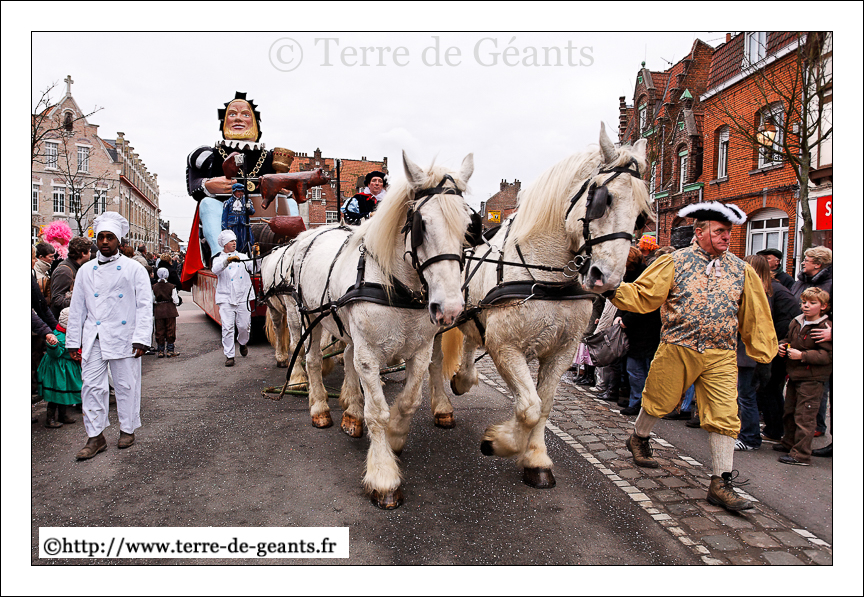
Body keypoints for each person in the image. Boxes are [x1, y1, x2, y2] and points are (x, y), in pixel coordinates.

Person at [608, 201, 777, 512]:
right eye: (720, 231)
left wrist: (763, 354)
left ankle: (720, 482)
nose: (727, 237)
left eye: (728, 231)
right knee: (658, 400)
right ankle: (639, 437)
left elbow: (756, 314)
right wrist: (611, 290)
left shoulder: (741, 270)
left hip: (721, 354)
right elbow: (644, 295)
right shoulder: (675, 262)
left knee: (725, 416)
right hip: (678, 346)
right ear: (699, 232)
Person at [66, 212, 153, 460]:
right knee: (92, 386)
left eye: (110, 237)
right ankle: (95, 436)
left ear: (119, 240)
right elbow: (78, 308)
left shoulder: (134, 269)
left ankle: (127, 428)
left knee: (125, 385)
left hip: (124, 336)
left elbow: (144, 306)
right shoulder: (86, 271)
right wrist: (73, 341)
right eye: (101, 237)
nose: (105, 241)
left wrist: (142, 338)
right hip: (94, 336)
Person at [186, 92, 288, 260]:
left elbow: (286, 190)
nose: (238, 119)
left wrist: (285, 188)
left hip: (263, 216)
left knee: (290, 203)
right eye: (232, 114)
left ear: (255, 123)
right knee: (208, 204)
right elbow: (193, 185)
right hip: (227, 216)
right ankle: (220, 255)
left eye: (245, 115)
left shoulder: (271, 158)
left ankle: (291, 251)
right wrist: (207, 184)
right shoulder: (209, 155)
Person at [775, 287, 832, 465]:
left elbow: (827, 356)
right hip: (795, 374)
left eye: (812, 303)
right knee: (790, 411)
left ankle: (801, 454)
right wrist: (782, 346)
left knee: (805, 416)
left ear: (823, 306)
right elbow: (788, 338)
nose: (806, 306)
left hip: (812, 378)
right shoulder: (797, 321)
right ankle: (789, 443)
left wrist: (803, 355)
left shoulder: (824, 327)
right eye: (804, 302)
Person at [789, 246, 833, 438]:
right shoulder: (800, 281)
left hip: (821, 339)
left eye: (807, 260)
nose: (803, 262)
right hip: (800, 335)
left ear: (818, 264)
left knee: (818, 386)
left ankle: (816, 425)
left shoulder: (832, 284)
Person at [733, 255, 774, 451]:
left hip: (749, 355)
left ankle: (750, 437)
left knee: (746, 396)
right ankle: (747, 433)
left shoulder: (759, 297)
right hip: (748, 353)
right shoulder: (763, 294)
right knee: (745, 396)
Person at [211, 230, 254, 366]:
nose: (234, 243)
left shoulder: (243, 256)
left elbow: (254, 268)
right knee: (228, 327)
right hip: (226, 297)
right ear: (225, 244)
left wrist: (256, 255)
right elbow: (215, 270)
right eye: (231, 241)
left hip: (242, 295)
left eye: (235, 240)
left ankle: (243, 342)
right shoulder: (218, 258)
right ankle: (229, 355)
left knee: (244, 326)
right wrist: (227, 261)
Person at [38, 307, 82, 428]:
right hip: (57, 370)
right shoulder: (59, 336)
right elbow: (55, 354)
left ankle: (63, 415)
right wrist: (53, 346)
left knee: (63, 392)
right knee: (56, 394)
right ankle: (50, 418)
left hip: (65, 369)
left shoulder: (68, 334)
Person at [49, 236, 91, 319]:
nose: (90, 254)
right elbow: (57, 300)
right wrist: (82, 301)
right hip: (62, 320)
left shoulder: (75, 267)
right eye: (89, 251)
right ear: (83, 253)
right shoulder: (64, 270)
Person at [153, 267, 181, 358]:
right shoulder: (171, 286)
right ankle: (170, 350)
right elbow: (175, 300)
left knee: (159, 330)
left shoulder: (154, 287)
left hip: (159, 310)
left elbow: (153, 299)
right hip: (170, 310)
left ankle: (160, 350)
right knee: (170, 329)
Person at [222, 182, 256, 254]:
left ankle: (245, 254)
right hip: (232, 226)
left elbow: (252, 212)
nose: (240, 193)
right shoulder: (228, 202)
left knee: (245, 241)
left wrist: (249, 208)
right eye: (238, 191)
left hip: (244, 225)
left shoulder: (247, 201)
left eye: (242, 191)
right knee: (234, 241)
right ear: (234, 192)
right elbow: (224, 217)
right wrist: (224, 229)